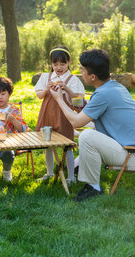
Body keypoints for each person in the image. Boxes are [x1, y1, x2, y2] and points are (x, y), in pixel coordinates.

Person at [49, 49, 135, 201]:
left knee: (87, 135)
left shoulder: (103, 94)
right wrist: (70, 93)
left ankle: (93, 187)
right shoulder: (114, 87)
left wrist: (58, 99)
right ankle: (81, 170)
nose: (80, 72)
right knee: (89, 132)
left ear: (92, 77)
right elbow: (89, 108)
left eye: (83, 70)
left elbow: (77, 122)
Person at [35, 45, 85, 184]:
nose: (58, 67)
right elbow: (39, 95)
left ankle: (70, 177)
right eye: (55, 64)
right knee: (48, 145)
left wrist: (67, 88)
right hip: (47, 115)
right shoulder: (46, 77)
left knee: (67, 145)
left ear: (69, 62)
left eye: (62, 64)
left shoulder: (73, 80)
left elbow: (79, 102)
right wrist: (47, 88)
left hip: (64, 117)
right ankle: (49, 173)